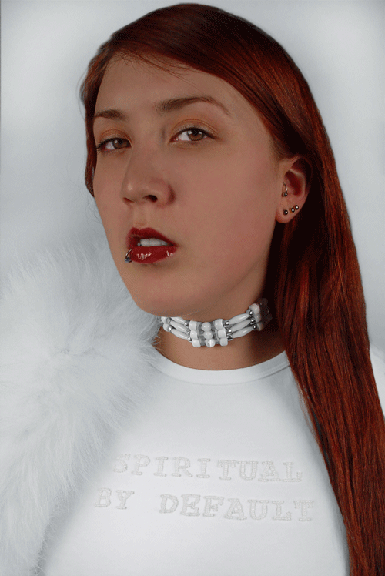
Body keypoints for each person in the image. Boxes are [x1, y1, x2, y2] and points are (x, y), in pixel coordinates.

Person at [1, 3, 384, 575]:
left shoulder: (376, 400)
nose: (136, 184)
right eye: (113, 142)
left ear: (291, 187)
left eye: (192, 132)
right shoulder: (22, 414)